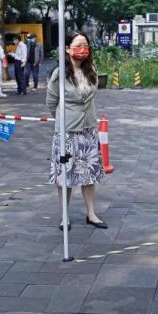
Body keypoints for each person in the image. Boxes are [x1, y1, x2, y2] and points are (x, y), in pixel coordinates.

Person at [46, 31, 107, 231]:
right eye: (78, 45)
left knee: (89, 174)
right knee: (66, 175)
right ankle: (65, 216)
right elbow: (51, 102)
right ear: (67, 48)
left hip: (88, 129)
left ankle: (91, 213)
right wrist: (63, 120)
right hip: (67, 131)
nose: (82, 49)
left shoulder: (92, 71)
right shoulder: (59, 74)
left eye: (85, 45)